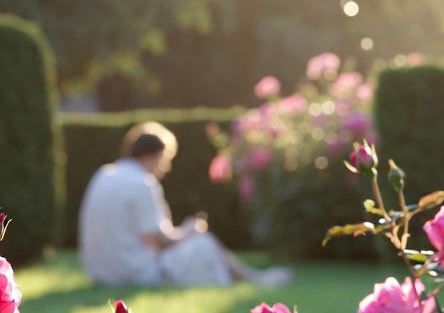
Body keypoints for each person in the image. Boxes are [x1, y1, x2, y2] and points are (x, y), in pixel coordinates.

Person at [78, 122, 292, 287]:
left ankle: (253, 277)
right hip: (132, 271)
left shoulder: (104, 174)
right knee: (205, 242)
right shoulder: (142, 183)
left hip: (100, 272)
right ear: (152, 155)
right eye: (164, 159)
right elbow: (157, 241)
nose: (165, 167)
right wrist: (189, 231)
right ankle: (253, 279)